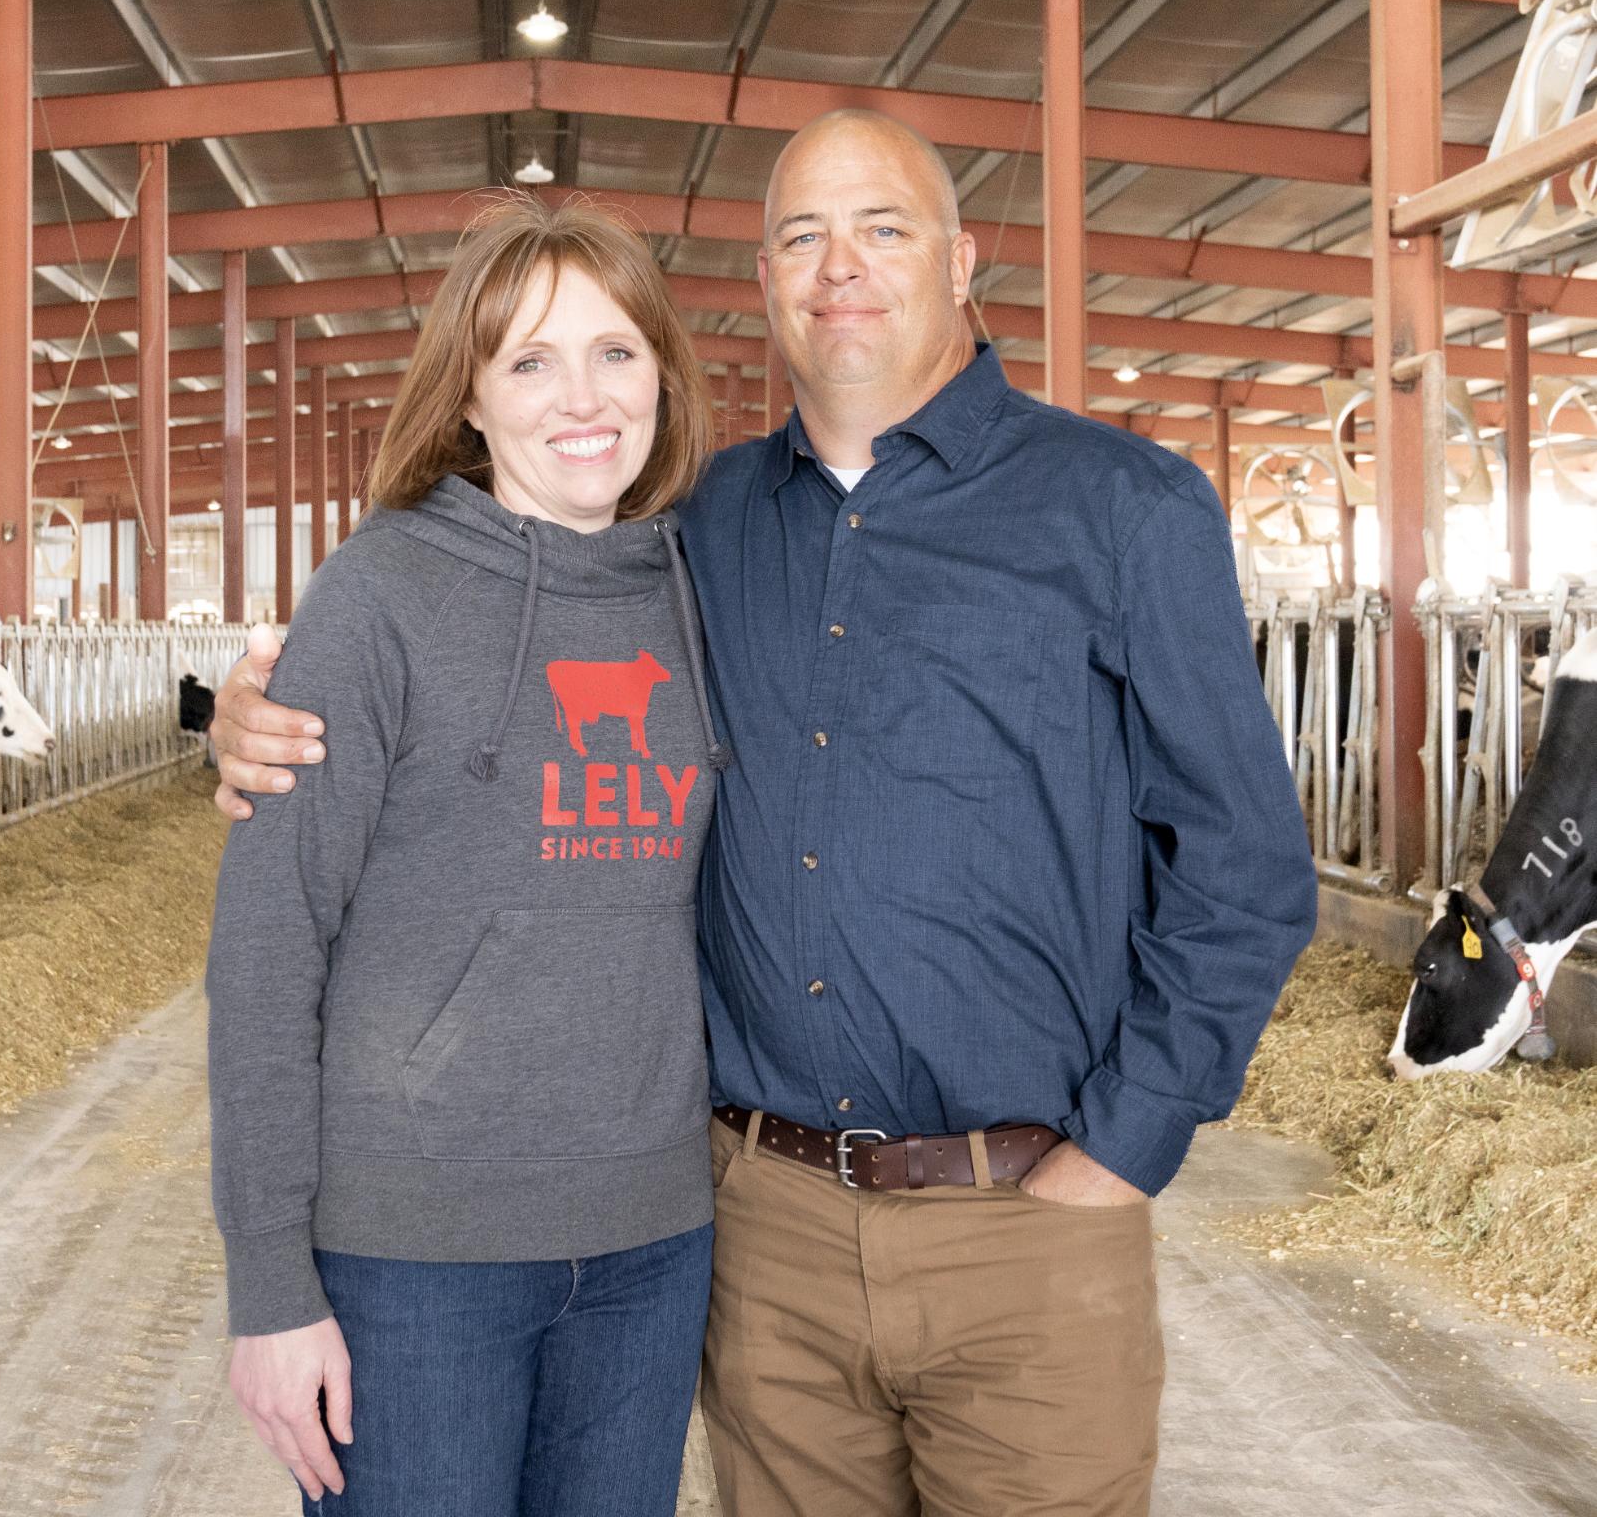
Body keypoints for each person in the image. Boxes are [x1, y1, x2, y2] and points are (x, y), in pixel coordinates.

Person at [210, 109, 1320, 1517]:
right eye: (802, 235)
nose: (839, 265)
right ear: (764, 279)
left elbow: (1242, 867)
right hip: (757, 1230)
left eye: (882, 228)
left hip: (1007, 1218)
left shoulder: (1118, 509)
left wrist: (1128, 1146)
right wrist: (252, 719)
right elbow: (296, 903)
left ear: (961, 261)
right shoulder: (701, 526)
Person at [206, 193, 731, 1516]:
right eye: (530, 361)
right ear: (471, 399)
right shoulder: (379, 598)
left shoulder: (704, 588)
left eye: (615, 351)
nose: (582, 398)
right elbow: (267, 949)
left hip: (651, 1241)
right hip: (413, 1251)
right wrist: (269, 1287)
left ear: (663, 375)